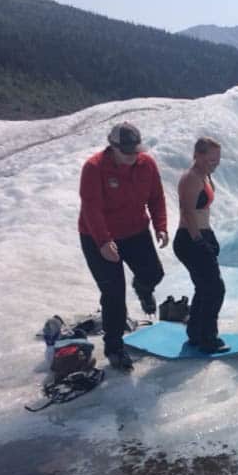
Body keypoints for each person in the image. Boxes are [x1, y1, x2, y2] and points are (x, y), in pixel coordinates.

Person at [79, 122, 169, 371]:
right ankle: (114, 347)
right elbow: (91, 209)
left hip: (136, 231)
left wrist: (161, 226)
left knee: (154, 273)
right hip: (98, 236)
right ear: (113, 147)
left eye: (135, 151)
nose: (132, 156)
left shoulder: (146, 164)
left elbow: (156, 197)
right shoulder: (94, 168)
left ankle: (142, 287)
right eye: (127, 152)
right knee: (114, 294)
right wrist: (104, 242)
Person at [172, 137, 228, 353]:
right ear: (197, 155)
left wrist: (210, 235)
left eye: (217, 159)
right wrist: (198, 240)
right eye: (210, 159)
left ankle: (195, 333)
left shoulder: (205, 176)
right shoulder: (191, 178)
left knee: (204, 287)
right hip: (189, 238)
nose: (214, 163)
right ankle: (208, 338)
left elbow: (202, 212)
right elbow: (187, 212)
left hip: (200, 234)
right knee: (215, 289)